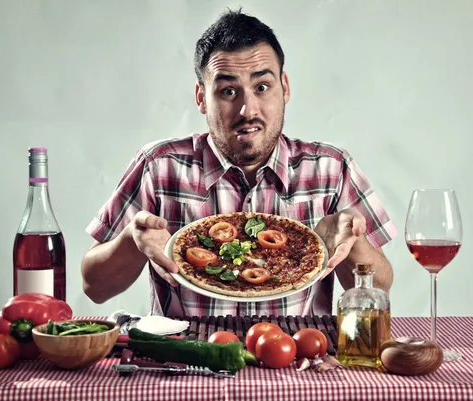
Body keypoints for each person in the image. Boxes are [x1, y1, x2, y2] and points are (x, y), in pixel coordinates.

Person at [81, 8, 397, 317]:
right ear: (202, 97)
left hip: (297, 359)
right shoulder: (158, 166)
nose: (248, 109)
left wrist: (351, 243)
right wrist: (130, 241)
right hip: (189, 361)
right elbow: (94, 287)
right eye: (228, 91)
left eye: (262, 87)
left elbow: (381, 288)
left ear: (284, 88)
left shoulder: (332, 168)